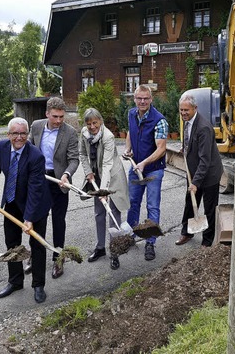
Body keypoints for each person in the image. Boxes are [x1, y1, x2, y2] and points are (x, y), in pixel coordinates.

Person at [0, 117, 51, 303]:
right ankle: (15, 281)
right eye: (15, 133)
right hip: (12, 202)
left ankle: (38, 285)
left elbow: (35, 189)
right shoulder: (0, 147)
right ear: (8, 135)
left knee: (37, 245)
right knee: (12, 245)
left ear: (27, 134)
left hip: (36, 205)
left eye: (23, 133)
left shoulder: (36, 156)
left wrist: (29, 218)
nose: (19, 137)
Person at [28, 97, 79, 279]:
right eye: (55, 117)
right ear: (47, 113)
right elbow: (29, 150)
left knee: (58, 221)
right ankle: (35, 257)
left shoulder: (70, 132)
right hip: (39, 180)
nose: (58, 121)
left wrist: (66, 175)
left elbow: (74, 159)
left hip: (59, 181)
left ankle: (58, 258)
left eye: (61, 117)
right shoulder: (36, 126)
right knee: (36, 220)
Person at [79, 108, 130, 270]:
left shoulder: (107, 137)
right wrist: (88, 172)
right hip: (96, 175)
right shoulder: (84, 133)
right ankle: (100, 247)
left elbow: (108, 164)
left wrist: (104, 190)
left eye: (95, 123)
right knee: (99, 213)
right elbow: (82, 154)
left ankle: (114, 252)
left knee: (113, 212)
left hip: (112, 176)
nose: (92, 127)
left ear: (100, 121)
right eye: (89, 124)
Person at [124, 85, 168, 261]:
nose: (142, 101)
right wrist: (128, 149)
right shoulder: (131, 114)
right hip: (136, 168)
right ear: (134, 98)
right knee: (133, 203)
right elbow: (130, 132)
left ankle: (150, 242)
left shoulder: (159, 120)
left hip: (153, 171)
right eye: (139, 98)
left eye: (146, 98)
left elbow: (161, 149)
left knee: (152, 206)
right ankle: (131, 235)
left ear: (151, 99)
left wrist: (144, 163)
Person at [175, 93, 223, 248]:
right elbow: (189, 140)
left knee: (210, 208)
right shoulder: (187, 121)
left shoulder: (203, 128)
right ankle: (187, 232)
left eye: (186, 110)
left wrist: (195, 182)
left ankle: (207, 242)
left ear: (195, 108)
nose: (183, 113)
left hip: (209, 174)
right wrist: (186, 147)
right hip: (194, 171)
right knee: (190, 203)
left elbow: (205, 160)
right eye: (181, 110)